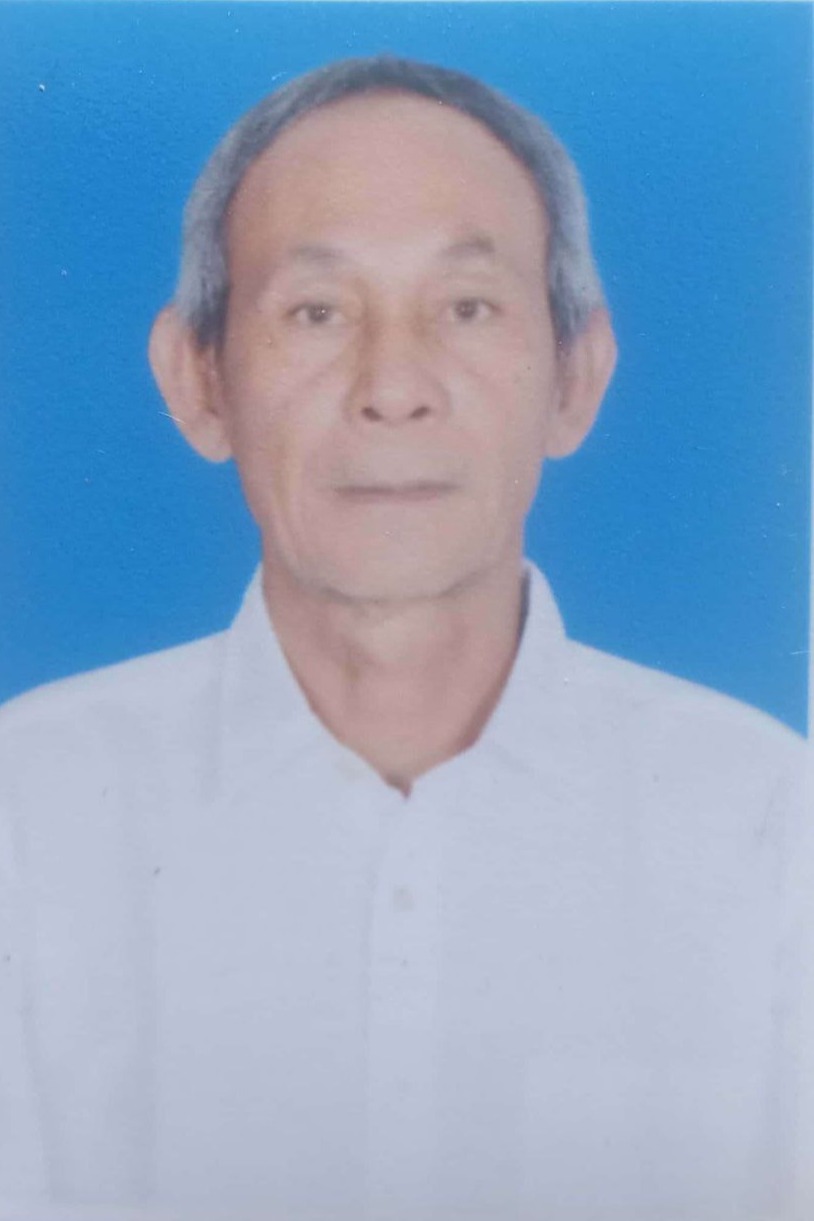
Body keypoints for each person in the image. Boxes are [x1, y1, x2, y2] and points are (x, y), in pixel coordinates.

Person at [0, 55, 809, 1221]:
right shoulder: (26, 817)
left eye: (466, 308)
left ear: (576, 377)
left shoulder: (773, 828)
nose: (393, 388)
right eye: (316, 312)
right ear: (197, 379)